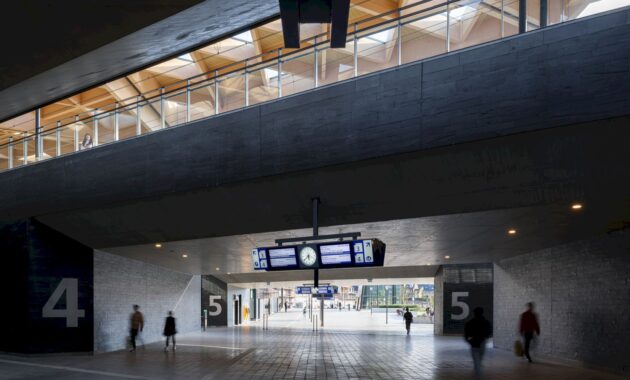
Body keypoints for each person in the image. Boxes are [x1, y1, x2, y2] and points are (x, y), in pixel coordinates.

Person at [464, 307, 492, 380]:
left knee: (476, 361)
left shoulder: (470, 323)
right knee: (479, 360)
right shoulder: (486, 322)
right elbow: (489, 333)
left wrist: (470, 341)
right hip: (482, 342)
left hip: (474, 343)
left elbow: (466, 335)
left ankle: (478, 375)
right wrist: (485, 338)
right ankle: (478, 375)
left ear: (474, 313)